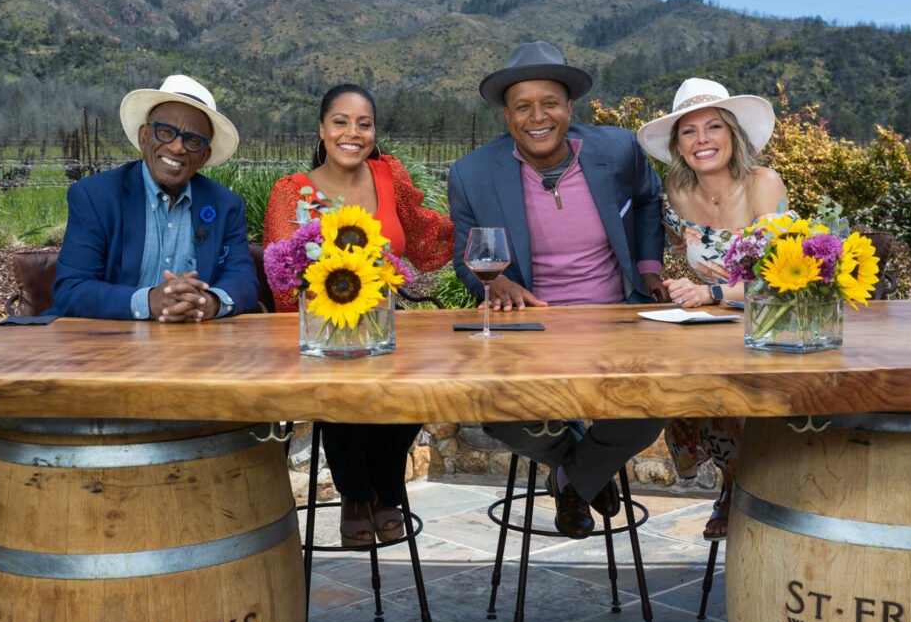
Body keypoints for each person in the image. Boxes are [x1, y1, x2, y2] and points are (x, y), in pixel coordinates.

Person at [447, 41, 669, 539]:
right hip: (533, 327)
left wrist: (650, 267)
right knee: (498, 413)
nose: (537, 116)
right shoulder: (472, 173)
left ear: (570, 108)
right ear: (506, 115)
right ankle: (585, 472)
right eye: (522, 106)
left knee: (653, 407)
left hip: (617, 319)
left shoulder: (617, 148)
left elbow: (649, 198)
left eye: (549, 102)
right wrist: (496, 282)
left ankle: (571, 480)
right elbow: (468, 256)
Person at [264, 83, 454, 547]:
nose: (353, 132)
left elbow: (425, 236)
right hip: (325, 325)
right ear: (322, 130)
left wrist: (474, 219)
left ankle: (384, 488)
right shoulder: (294, 192)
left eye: (363, 124)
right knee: (341, 376)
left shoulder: (389, 175)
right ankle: (358, 495)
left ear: (374, 131)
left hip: (388, 321)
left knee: (424, 374)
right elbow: (283, 275)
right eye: (341, 122)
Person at [636, 76, 792, 539]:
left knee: (733, 384)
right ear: (678, 145)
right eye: (689, 131)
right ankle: (734, 481)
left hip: (762, 320)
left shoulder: (763, 185)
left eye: (713, 127)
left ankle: (740, 488)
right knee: (675, 378)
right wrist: (662, 283)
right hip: (704, 323)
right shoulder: (676, 192)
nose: (702, 140)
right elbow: (668, 245)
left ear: (733, 135)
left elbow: (781, 277)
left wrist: (713, 293)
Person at [50, 74, 258, 321]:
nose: (177, 147)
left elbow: (243, 280)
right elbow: (72, 290)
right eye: (166, 132)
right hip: (110, 346)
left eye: (192, 141)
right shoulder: (95, 196)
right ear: (144, 137)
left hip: (199, 346)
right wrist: (149, 301)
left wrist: (210, 302)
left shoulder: (226, 206)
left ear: (204, 156)